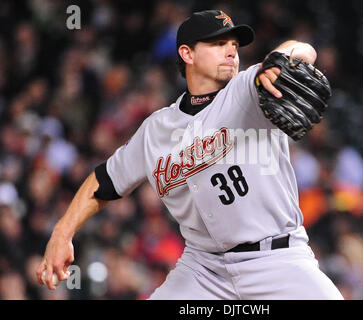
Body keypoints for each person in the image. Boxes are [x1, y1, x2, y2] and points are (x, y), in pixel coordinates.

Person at [36, 9, 343, 300]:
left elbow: (302, 51)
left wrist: (279, 61)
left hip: (277, 262)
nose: (231, 51)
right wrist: (63, 231)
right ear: (187, 54)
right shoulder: (157, 129)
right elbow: (104, 182)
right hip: (203, 270)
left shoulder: (250, 89)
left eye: (234, 44)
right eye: (219, 43)